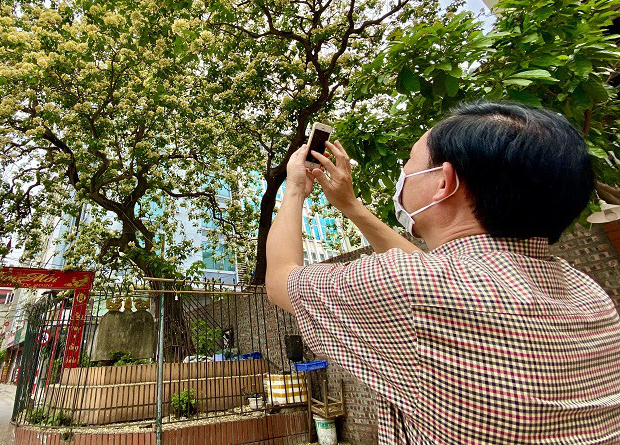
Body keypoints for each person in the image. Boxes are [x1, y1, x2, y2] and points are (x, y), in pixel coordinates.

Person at [266, 101, 620, 444]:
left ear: (443, 183)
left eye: (410, 161)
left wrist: (295, 187)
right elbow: (428, 275)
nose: (404, 173)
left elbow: (281, 279)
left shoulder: (412, 287)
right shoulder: (590, 294)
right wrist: (350, 205)